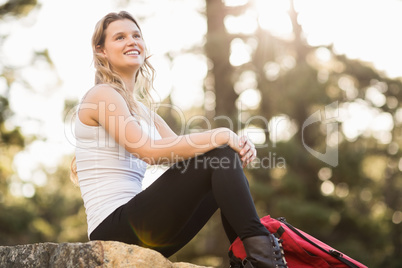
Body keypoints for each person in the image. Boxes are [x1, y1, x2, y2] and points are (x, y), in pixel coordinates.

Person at [71, 11, 287, 268]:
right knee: (220, 155)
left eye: (136, 35)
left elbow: (184, 163)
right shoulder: (101, 95)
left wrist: (236, 145)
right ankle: (264, 258)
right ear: (101, 51)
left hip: (143, 228)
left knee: (223, 162)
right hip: (112, 230)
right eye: (119, 37)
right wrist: (221, 136)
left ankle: (249, 258)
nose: (131, 41)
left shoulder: (145, 114)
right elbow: (149, 151)